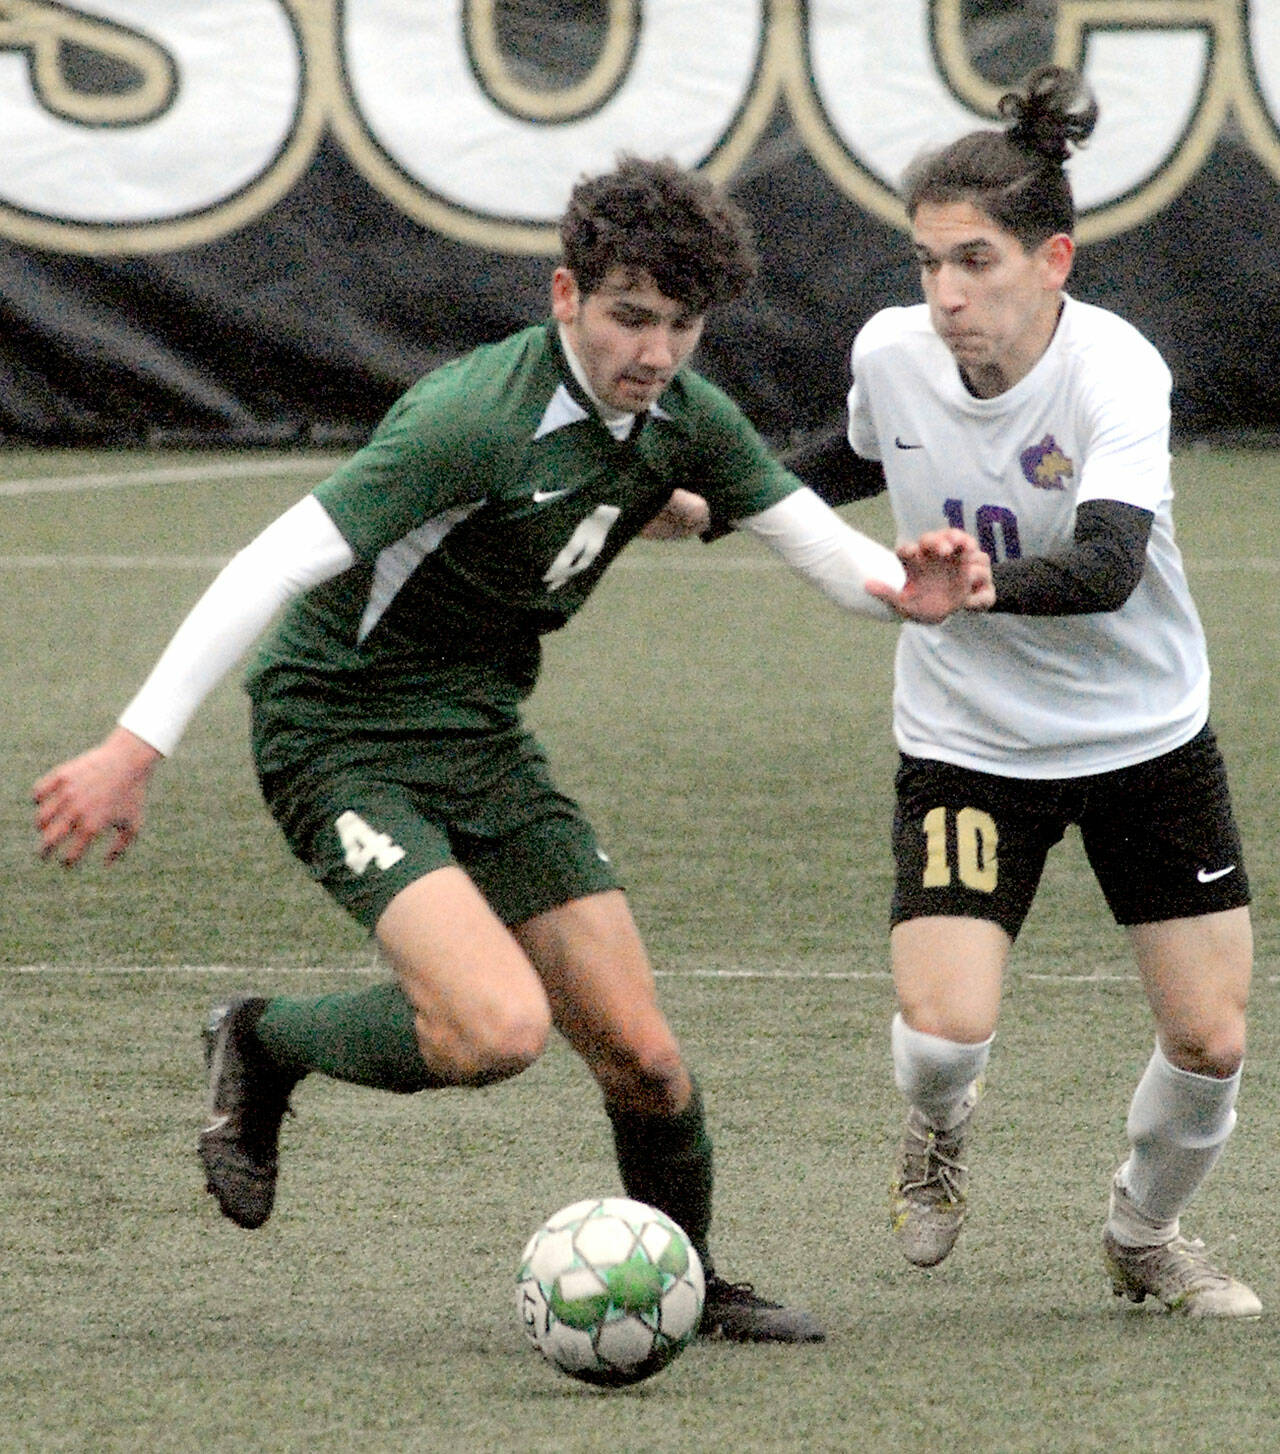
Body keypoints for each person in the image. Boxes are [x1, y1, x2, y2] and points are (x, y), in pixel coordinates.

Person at [33, 155, 992, 1343]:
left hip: (480, 735)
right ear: (563, 298)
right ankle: (264, 1037)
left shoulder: (682, 417)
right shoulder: (471, 419)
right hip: (339, 732)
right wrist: (137, 742)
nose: (652, 351)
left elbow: (815, 547)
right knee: (492, 1031)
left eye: (679, 325)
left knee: (643, 1057)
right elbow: (273, 562)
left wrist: (905, 589)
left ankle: (681, 1285)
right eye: (627, 317)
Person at [786, 67, 1258, 1316]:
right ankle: (937, 1128)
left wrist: (977, 589)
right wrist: (719, 494)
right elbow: (847, 454)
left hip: (1142, 733)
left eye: (975, 261)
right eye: (927, 261)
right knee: (942, 1036)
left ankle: (1141, 1232)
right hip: (967, 740)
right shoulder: (889, 351)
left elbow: (1106, 563)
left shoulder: (1115, 371)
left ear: (1051, 260)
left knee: (1209, 1041)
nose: (944, 294)